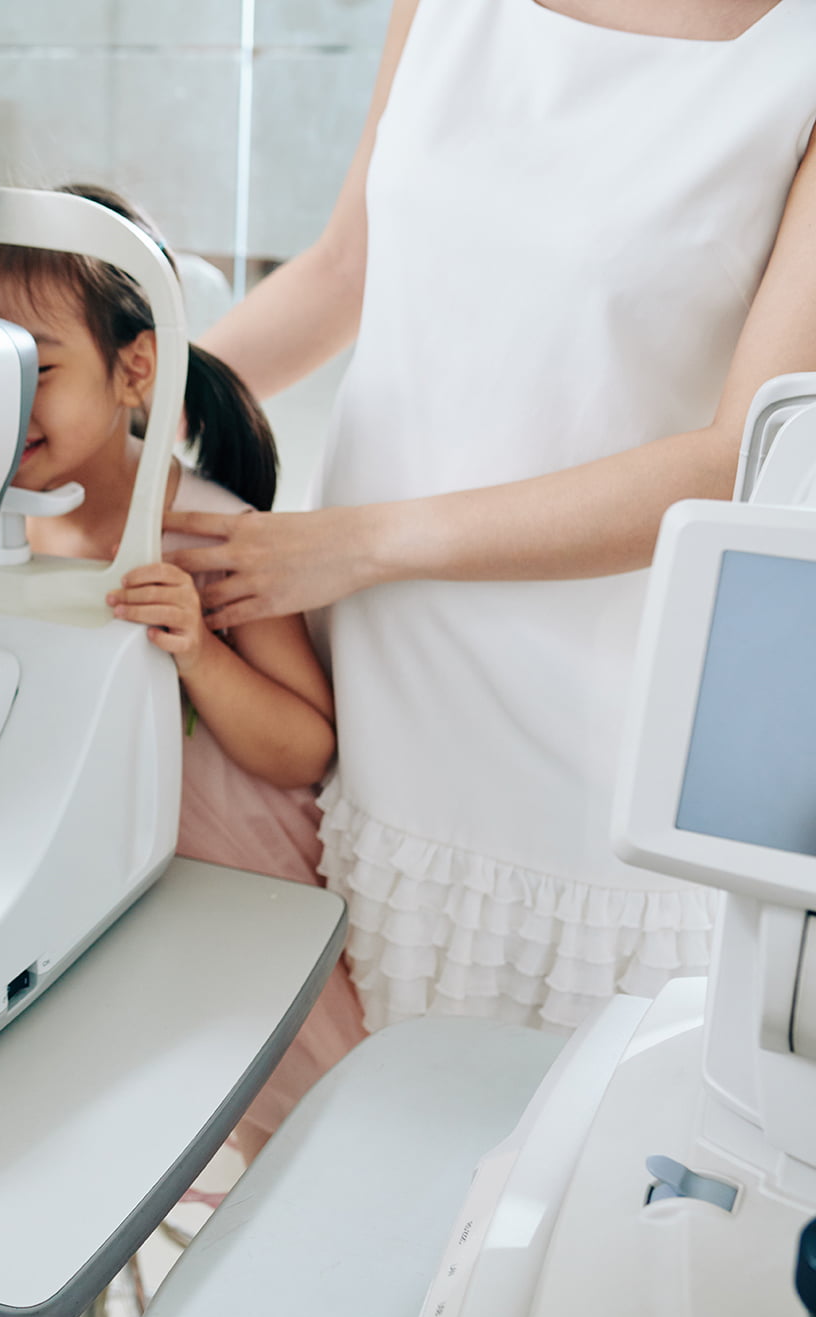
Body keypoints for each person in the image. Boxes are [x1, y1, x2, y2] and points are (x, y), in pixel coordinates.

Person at [168, 0, 816, 1033]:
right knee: (334, 1129)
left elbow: (736, 454)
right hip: (363, 697)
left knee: (535, 1160)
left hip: (582, 747)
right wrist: (129, 419)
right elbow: (344, 268)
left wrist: (356, 545)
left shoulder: (796, 67)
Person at [0, 186, 365, 1160]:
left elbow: (305, 748)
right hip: (81, 879)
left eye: (37, 370)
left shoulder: (209, 535)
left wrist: (198, 650)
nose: (5, 407)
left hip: (228, 892)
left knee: (295, 1126)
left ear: (134, 369)